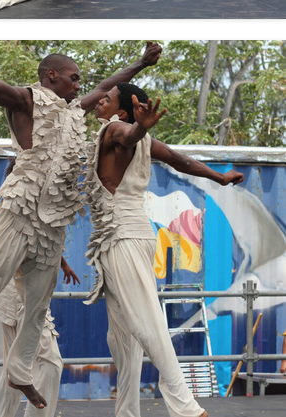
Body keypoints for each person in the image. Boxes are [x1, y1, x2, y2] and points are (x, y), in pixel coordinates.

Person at [0, 40, 162, 409]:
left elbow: (105, 87)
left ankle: (20, 372)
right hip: (19, 214)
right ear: (52, 75)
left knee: (38, 310)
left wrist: (141, 64)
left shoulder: (74, 112)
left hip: (51, 228)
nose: (78, 84)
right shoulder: (27, 100)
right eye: (73, 78)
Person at [83, 81, 245, 417]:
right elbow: (179, 160)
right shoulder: (139, 139)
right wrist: (219, 177)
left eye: (108, 99)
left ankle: (187, 408)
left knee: (146, 322)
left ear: (122, 112)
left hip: (122, 236)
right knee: (123, 339)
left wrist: (140, 126)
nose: (100, 100)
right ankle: (127, 412)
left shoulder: (116, 130)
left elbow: (129, 138)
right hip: (128, 235)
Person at [0, 256, 79, 417]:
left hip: (21, 292)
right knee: (50, 363)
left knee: (13, 371)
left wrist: (64, 264)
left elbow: (46, 238)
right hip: (24, 295)